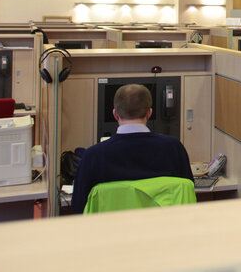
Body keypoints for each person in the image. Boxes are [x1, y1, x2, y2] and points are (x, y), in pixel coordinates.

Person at [71, 84, 194, 214]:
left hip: (111, 232)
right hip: (163, 230)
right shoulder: (174, 149)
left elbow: (79, 207)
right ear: (149, 113)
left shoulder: (94, 155)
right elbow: (186, 195)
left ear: (115, 114)